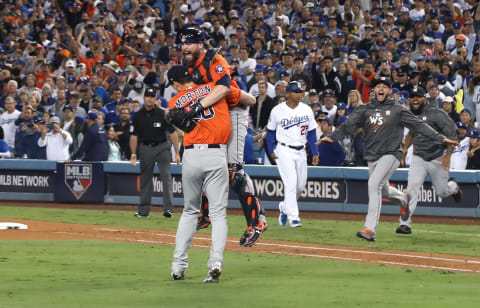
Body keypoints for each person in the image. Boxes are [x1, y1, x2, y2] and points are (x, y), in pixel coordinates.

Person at [318, 77, 458, 242]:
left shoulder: (398, 109)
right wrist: (332, 137)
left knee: (373, 184)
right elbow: (349, 126)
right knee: (383, 189)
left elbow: (418, 125)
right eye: (378, 86)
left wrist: (441, 138)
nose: (381, 88)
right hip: (372, 155)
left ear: (389, 90)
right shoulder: (365, 108)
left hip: (391, 154)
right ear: (374, 90)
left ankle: (370, 229)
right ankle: (403, 199)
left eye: (385, 86)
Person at [180, 28, 267, 247]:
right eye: (182, 43)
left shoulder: (214, 60)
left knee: (233, 170)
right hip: (216, 112)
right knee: (210, 162)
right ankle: (207, 213)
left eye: (189, 43)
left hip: (235, 108)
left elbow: (227, 90)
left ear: (201, 44)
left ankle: (257, 221)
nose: (184, 47)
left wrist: (197, 105)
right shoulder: (193, 66)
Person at [167, 65, 230, 283]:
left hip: (191, 156)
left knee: (189, 211)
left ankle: (178, 266)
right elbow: (245, 98)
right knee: (218, 213)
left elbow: (175, 122)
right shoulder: (214, 87)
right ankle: (215, 262)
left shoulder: (175, 102)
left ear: (176, 84)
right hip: (216, 154)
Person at [397, 86, 462, 235]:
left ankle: (453, 187)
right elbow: (412, 134)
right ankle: (404, 224)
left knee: (442, 191)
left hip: (438, 156)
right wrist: (405, 149)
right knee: (411, 189)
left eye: (418, 96)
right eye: (412, 96)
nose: (415, 99)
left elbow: (453, 133)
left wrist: (447, 157)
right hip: (419, 157)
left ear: (424, 99)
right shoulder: (411, 115)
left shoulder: (436, 113)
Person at [266, 81, 319, 227]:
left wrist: (315, 151)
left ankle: (284, 206)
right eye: (296, 92)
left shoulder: (306, 109)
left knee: (300, 186)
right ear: (288, 93)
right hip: (284, 150)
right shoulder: (277, 110)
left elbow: (312, 132)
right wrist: (271, 150)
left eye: (300, 91)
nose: (300, 94)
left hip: (301, 151)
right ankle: (294, 218)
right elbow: (270, 132)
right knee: (290, 183)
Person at [129, 88, 180, 218]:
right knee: (145, 180)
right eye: (148, 96)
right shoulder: (138, 115)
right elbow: (134, 136)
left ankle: (168, 209)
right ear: (144, 98)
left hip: (162, 147)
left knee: (166, 178)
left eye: (152, 96)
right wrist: (133, 154)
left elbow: (173, 133)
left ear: (155, 98)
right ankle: (143, 211)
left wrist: (177, 153)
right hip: (145, 148)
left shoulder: (162, 113)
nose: (150, 99)